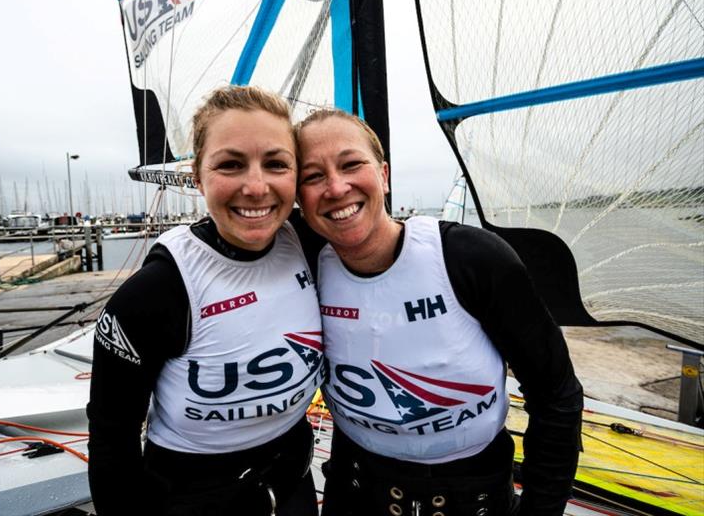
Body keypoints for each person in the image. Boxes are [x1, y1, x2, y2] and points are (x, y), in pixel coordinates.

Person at [295, 109, 583, 516]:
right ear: (297, 196)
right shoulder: (302, 265)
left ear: (384, 174)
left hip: (473, 496)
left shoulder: (471, 258)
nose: (337, 187)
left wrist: (541, 509)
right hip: (355, 490)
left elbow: (556, 394)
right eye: (312, 176)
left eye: (351, 164)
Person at [87, 86, 324, 516]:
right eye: (231, 164)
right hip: (191, 499)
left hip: (293, 488)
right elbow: (111, 437)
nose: (256, 187)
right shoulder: (157, 291)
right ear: (196, 176)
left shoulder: (312, 246)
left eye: (276, 164)